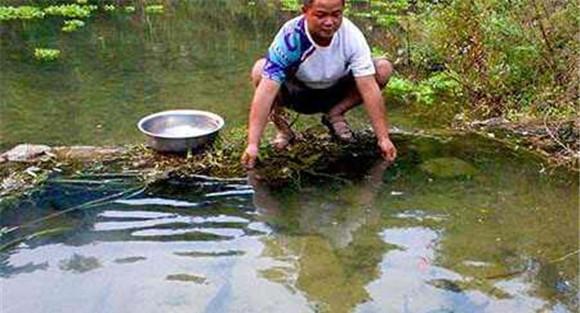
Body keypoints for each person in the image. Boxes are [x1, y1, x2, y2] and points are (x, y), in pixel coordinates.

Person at [241, 0, 397, 169]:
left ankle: (335, 114)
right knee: (260, 70)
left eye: (336, 15)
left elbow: (368, 87)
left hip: (335, 92)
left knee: (383, 68)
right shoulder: (291, 37)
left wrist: (383, 138)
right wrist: (252, 144)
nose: (330, 22)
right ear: (305, 11)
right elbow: (266, 91)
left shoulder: (351, 35)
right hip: (298, 94)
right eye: (321, 15)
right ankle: (283, 128)